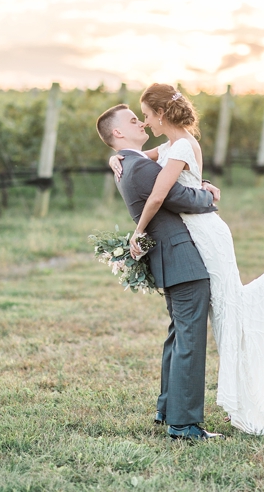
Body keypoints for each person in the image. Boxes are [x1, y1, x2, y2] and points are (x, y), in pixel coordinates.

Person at [109, 84, 264, 437]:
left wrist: (141, 228)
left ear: (163, 113)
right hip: (190, 242)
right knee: (205, 324)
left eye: (148, 115)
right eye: (137, 119)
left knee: (224, 316)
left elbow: (165, 193)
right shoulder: (158, 152)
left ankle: (214, 406)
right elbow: (165, 178)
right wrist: (116, 154)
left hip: (204, 238)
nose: (146, 122)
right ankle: (186, 415)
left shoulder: (178, 145)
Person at [96, 103, 224, 441]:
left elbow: (170, 170)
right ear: (119, 132)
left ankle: (169, 408)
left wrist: (201, 182)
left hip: (173, 259)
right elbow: (180, 195)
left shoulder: (131, 163)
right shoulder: (137, 167)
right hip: (183, 260)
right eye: (133, 120)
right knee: (190, 340)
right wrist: (208, 195)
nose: (141, 122)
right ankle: (184, 424)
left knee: (179, 334)